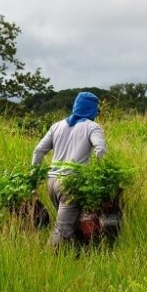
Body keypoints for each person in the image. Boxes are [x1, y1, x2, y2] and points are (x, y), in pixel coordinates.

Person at [31, 91, 108, 249]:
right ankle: (47, 261)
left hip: (51, 184)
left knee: (73, 223)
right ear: (93, 110)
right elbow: (100, 150)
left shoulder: (56, 126)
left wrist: (33, 177)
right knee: (63, 229)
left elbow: (38, 151)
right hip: (70, 184)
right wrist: (103, 175)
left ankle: (76, 257)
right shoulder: (92, 127)